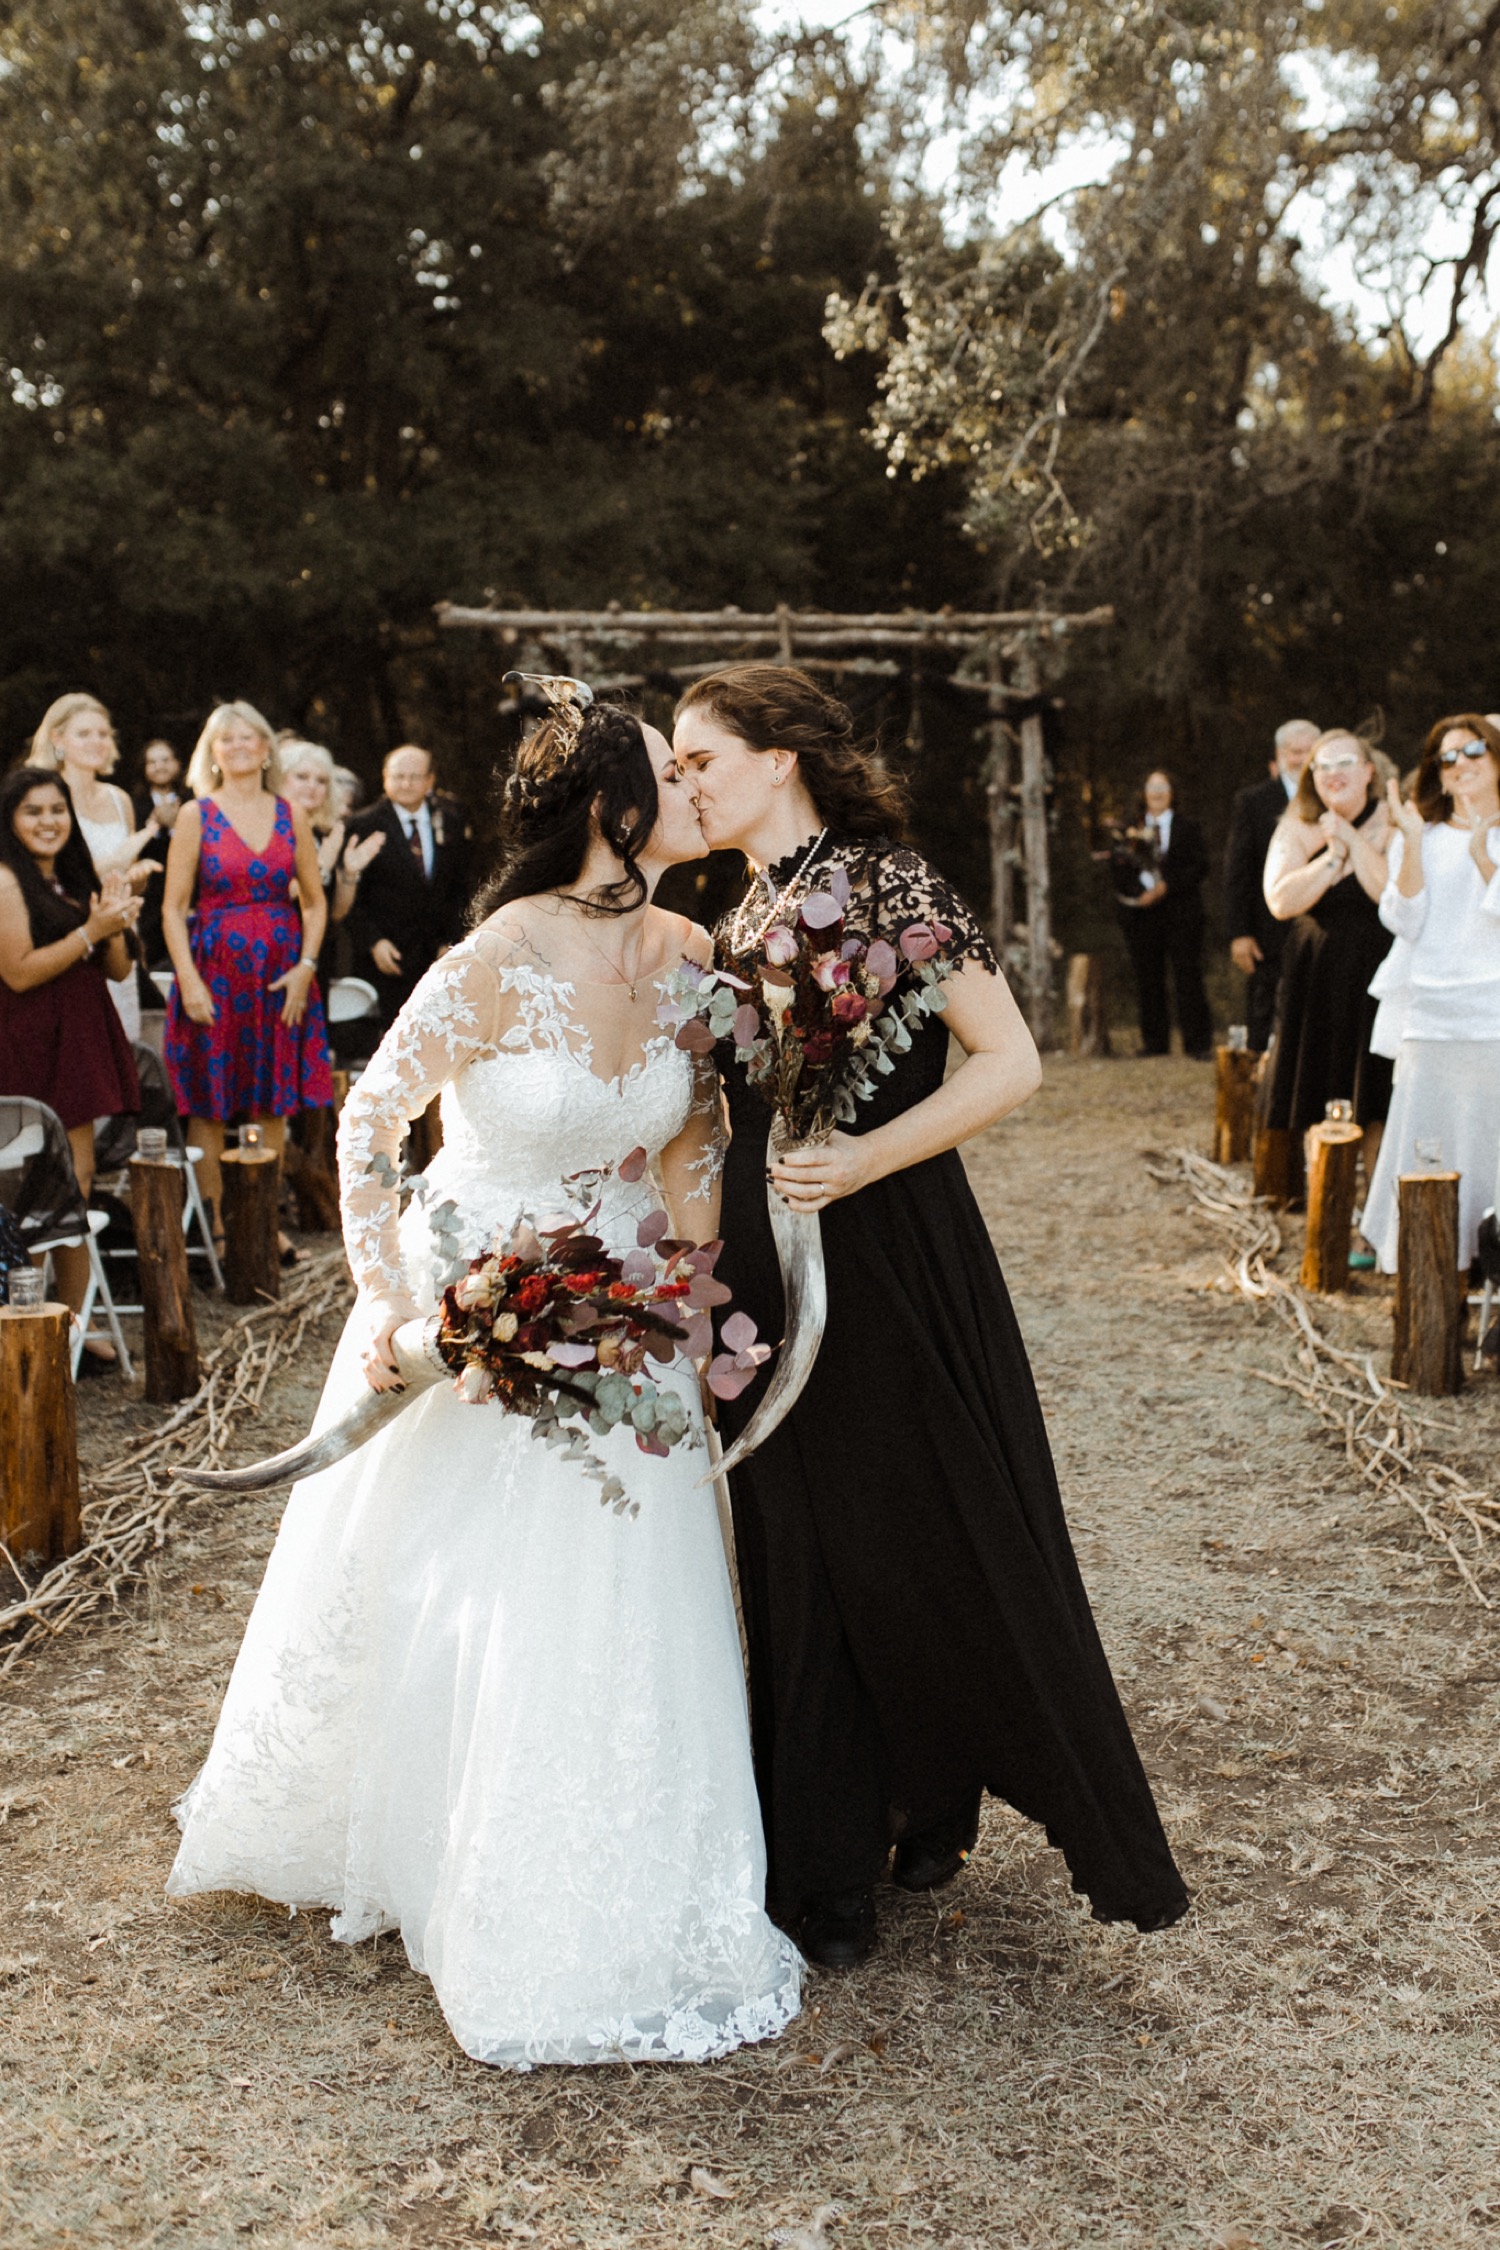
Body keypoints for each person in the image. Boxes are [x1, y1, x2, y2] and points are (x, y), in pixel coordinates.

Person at [167, 689, 802, 2069]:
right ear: (611, 812)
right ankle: (428, 1839)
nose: (693, 789)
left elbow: (691, 1137)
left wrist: (686, 1283)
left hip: (626, 1321)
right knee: (454, 1590)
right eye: (665, 774)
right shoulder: (496, 956)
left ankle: (616, 1874)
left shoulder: (694, 949)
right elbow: (370, 1120)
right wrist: (409, 1310)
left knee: (626, 1592)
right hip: (479, 1312)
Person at [672, 664, 1188, 1969]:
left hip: (889, 1243)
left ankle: (922, 1805)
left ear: (778, 755)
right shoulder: (731, 917)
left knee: (910, 1516)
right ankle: (842, 1840)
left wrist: (861, 1160)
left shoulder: (891, 883)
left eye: (699, 758)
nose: (684, 783)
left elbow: (1011, 1061)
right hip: (762, 1265)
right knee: (797, 1536)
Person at [161, 702, 334, 1257]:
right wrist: (188, 980)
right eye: (225, 739)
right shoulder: (197, 815)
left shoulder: (291, 814)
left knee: (272, 1103)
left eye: (248, 738)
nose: (237, 746)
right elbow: (171, 908)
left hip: (280, 976)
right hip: (213, 972)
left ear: (266, 749)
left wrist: (306, 968)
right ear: (212, 752)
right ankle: (213, 1228)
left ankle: (259, 1222)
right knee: (212, 1104)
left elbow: (314, 902)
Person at [0, 766, 140, 1355]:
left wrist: (110, 924)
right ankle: (25, 1319)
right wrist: (91, 930)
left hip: (79, 1042)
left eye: (56, 810)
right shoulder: (6, 881)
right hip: (29, 1044)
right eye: (33, 811)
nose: (48, 821)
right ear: (10, 819)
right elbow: (18, 971)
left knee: (77, 1184)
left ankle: (75, 1328)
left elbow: (120, 970)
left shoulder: (76, 877)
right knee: (30, 1188)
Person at [1362, 714, 1500, 1273]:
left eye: (1473, 751)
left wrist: (1484, 858)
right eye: (1448, 758)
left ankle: (1490, 1264)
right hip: (1432, 1017)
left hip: (1494, 1016)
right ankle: (1435, 1273)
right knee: (1430, 1150)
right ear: (1438, 775)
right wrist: (1413, 843)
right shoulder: (1422, 833)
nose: (1461, 763)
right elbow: (1403, 919)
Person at [1262, 729, 1393, 1200]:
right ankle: (1329, 1212)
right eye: (1322, 766)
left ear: (1369, 771)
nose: (1333, 774)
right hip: (1316, 980)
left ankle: (1373, 1217)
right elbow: (1281, 899)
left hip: (1376, 980)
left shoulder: (1392, 821)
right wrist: (1331, 857)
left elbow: (1388, 893)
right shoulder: (1297, 825)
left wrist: (1353, 839)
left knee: (1375, 1098)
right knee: (1317, 1090)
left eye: (1345, 763)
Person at [30, 693, 160, 1040]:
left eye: (103, 734)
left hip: (117, 942)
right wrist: (114, 864)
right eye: (84, 733)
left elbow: (128, 885)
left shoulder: (119, 800)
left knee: (120, 1046)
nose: (97, 742)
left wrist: (136, 878)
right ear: (57, 739)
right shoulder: (43, 800)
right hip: (66, 939)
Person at [341, 744, 472, 1031]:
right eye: (398, 776)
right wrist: (373, 942)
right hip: (388, 957)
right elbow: (351, 898)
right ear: (385, 777)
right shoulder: (363, 825)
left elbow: (460, 888)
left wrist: (452, 940)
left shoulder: (451, 819)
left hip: (438, 955)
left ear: (430, 780)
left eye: (415, 777)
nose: (406, 783)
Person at [1224, 719, 1319, 1051]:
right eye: (1296, 751)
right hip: (1268, 930)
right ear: (1280, 755)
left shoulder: (1333, 795)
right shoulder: (1254, 801)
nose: (1304, 758)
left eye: (1311, 750)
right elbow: (1239, 871)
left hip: (1321, 928)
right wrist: (1240, 932)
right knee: (1264, 1012)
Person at [1111, 769, 1212, 1058]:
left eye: (1163, 786)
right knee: (1148, 979)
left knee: (1188, 976)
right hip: (1142, 916)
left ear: (1172, 792)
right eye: (1152, 786)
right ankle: (1155, 1042)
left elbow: (1199, 866)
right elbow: (1117, 867)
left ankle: (1197, 1043)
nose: (1157, 792)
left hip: (1182, 913)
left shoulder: (1188, 827)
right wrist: (1138, 894)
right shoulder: (1128, 829)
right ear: (1143, 793)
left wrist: (1167, 886)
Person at [131, 738, 185, 972]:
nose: (159, 766)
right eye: (152, 762)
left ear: (177, 763)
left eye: (165, 760)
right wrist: (154, 827)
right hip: (149, 895)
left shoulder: (192, 800)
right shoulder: (134, 804)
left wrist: (175, 826)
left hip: (185, 892)